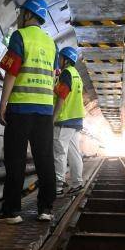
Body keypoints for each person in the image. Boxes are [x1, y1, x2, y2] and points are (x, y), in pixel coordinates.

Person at [0, 0, 58, 224]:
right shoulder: (52, 44)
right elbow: (54, 75)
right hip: (45, 111)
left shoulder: (20, 37)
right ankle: (46, 209)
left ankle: (11, 211)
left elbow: (12, 72)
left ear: (28, 15)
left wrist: (3, 104)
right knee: (45, 159)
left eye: (21, 14)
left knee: (16, 160)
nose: (19, 18)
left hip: (20, 108)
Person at [52, 46, 85, 194]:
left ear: (66, 60)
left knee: (60, 152)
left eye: (60, 58)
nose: (58, 60)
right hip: (76, 121)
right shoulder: (76, 74)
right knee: (74, 153)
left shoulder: (66, 74)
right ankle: (77, 183)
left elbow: (61, 97)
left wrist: (53, 118)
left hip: (64, 120)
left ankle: (58, 186)